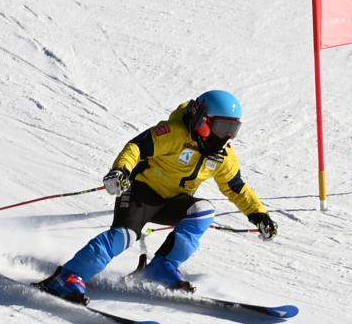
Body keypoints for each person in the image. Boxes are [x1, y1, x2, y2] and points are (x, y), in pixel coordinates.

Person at [37, 90, 277, 303]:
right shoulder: (174, 134)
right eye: (221, 128)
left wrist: (259, 215)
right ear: (202, 120)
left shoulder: (222, 155)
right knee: (124, 236)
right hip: (140, 193)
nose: (225, 137)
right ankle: (68, 277)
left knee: (203, 210)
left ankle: (162, 267)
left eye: (232, 130)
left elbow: (236, 187)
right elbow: (136, 147)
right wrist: (120, 171)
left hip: (172, 202)